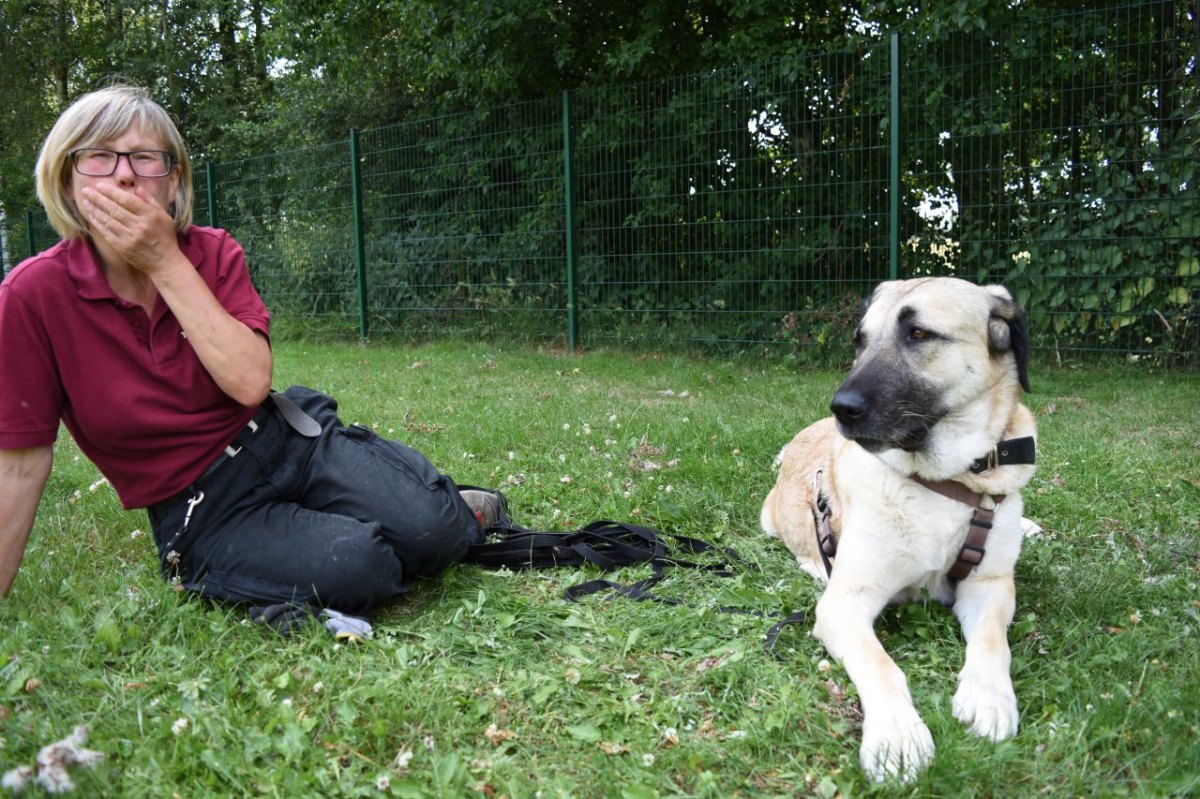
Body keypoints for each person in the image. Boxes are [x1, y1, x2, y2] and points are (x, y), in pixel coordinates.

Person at [0, 83, 506, 638]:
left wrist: (165, 261)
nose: (124, 175)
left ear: (173, 183)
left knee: (434, 532)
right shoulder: (33, 295)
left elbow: (248, 382)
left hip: (283, 439)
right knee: (361, 567)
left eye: (145, 158)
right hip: (202, 507)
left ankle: (433, 512)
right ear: (68, 180)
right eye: (98, 156)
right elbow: (20, 463)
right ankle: (344, 534)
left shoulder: (212, 252)